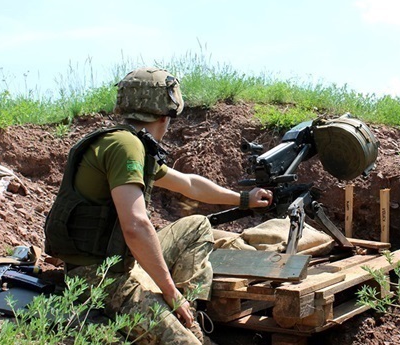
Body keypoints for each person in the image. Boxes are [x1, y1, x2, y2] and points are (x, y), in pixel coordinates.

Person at [44, 67, 273, 344]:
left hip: (116, 261)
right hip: (101, 278)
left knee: (197, 225)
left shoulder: (124, 142)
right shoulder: (126, 146)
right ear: (165, 116)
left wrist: (244, 199)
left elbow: (189, 184)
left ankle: (190, 316)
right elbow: (136, 226)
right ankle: (184, 320)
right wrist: (170, 292)